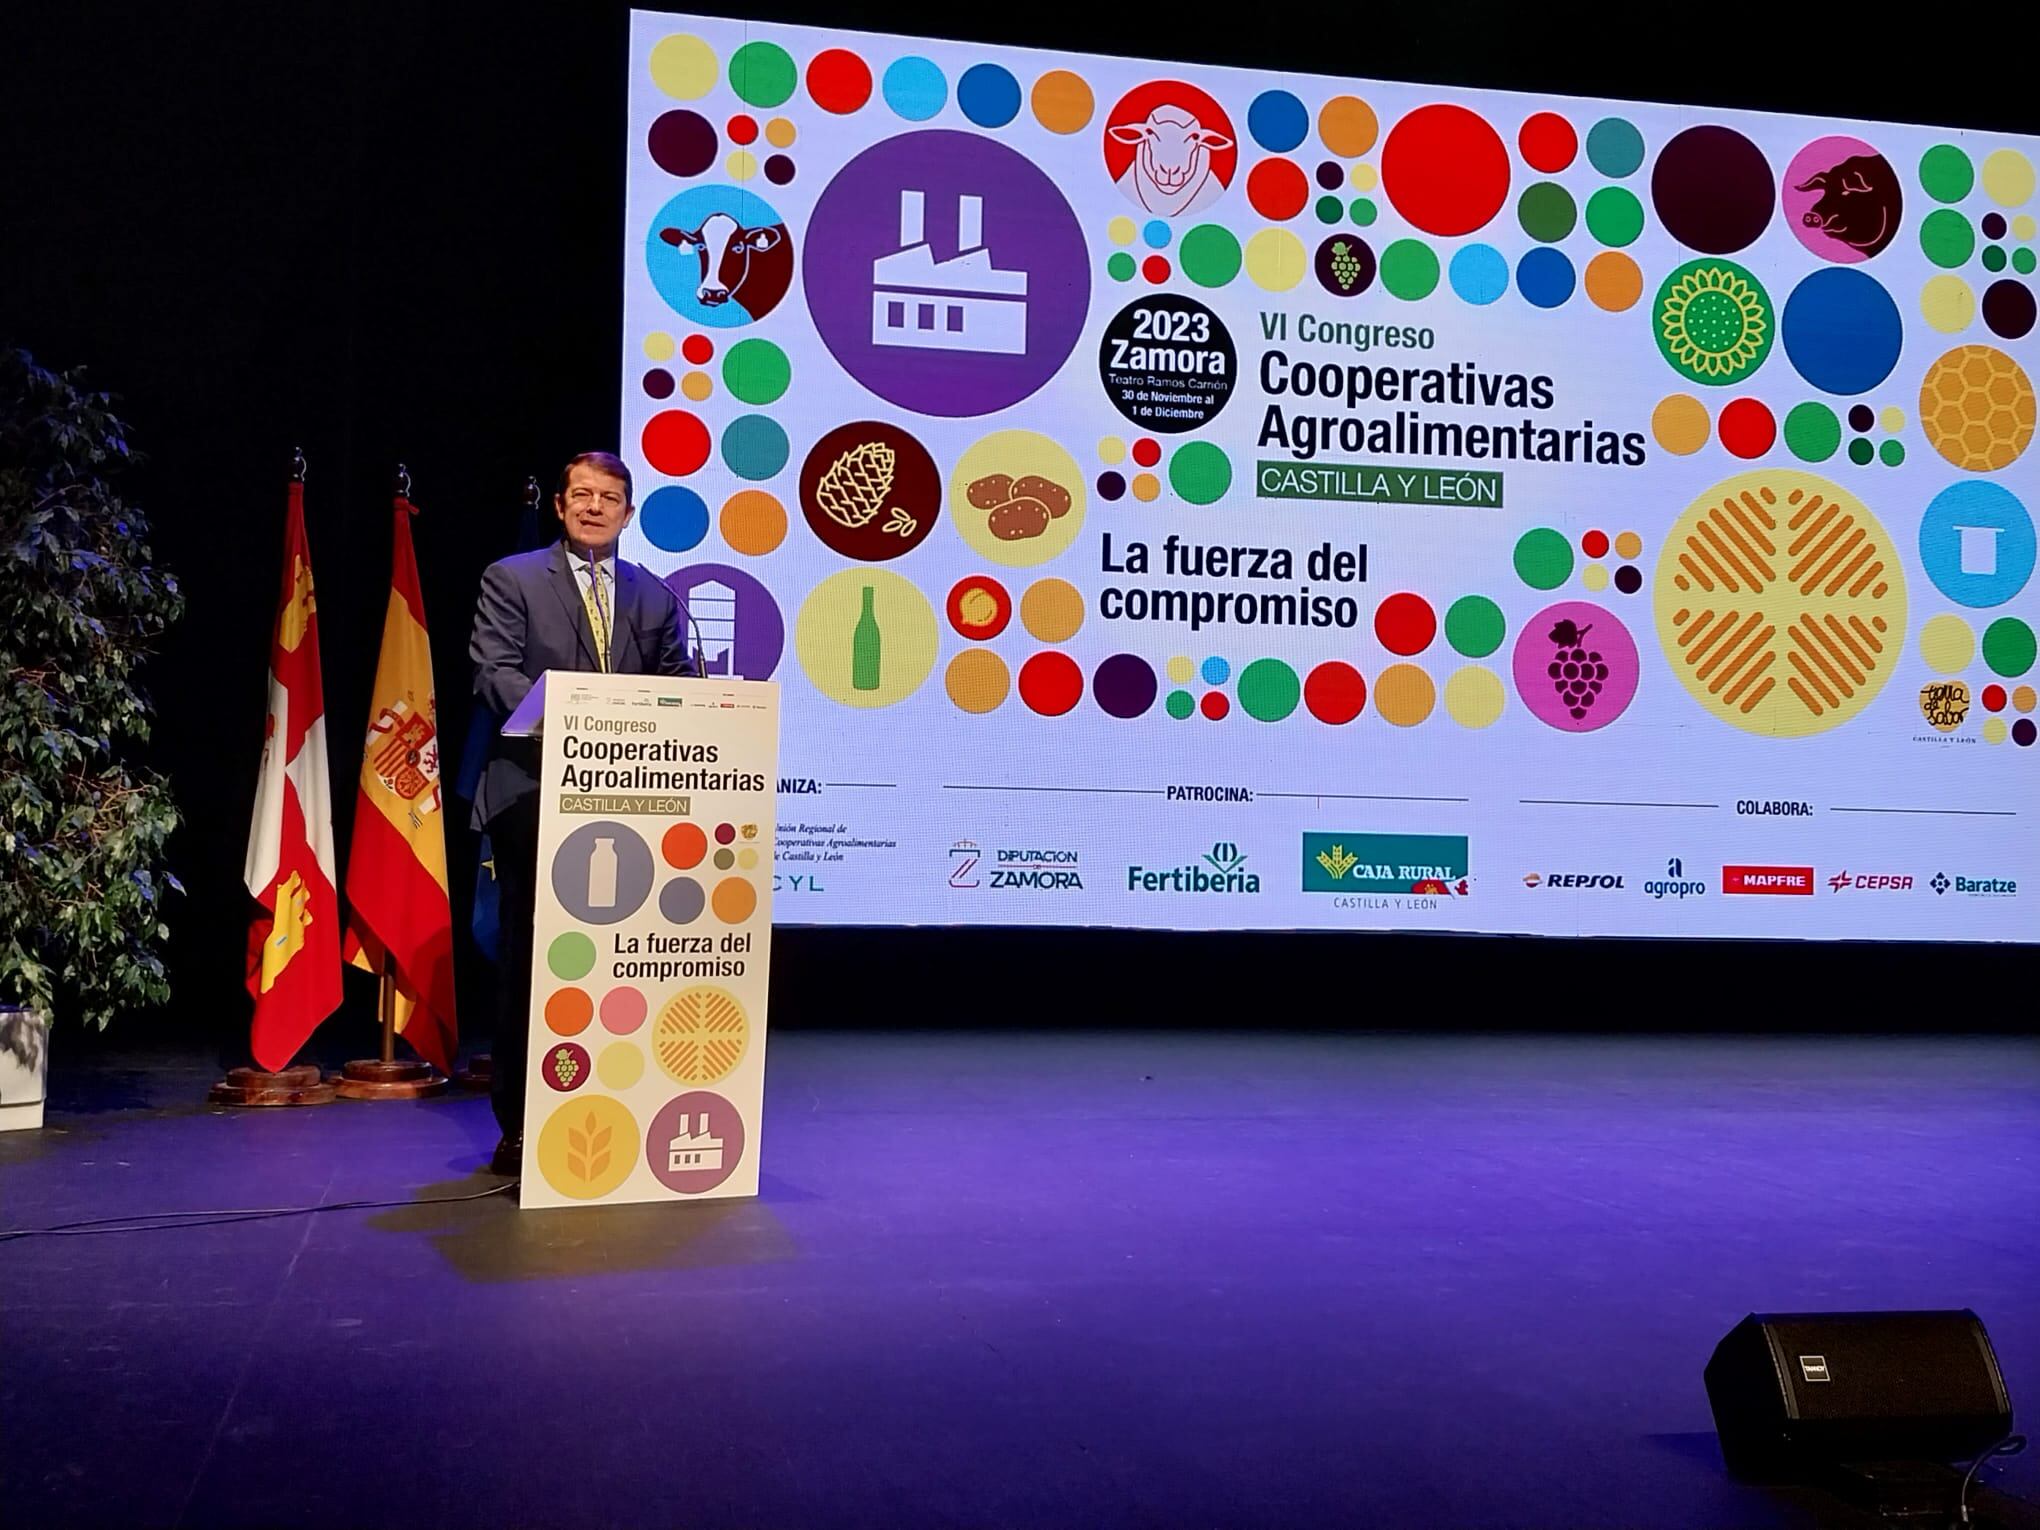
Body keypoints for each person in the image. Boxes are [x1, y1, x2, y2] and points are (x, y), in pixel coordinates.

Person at [469, 451, 693, 1175]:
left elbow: (678, 689)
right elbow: (495, 673)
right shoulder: (513, 578)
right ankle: (521, 1123)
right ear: (561, 507)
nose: (596, 507)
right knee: (536, 965)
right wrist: (578, 721)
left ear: (629, 514)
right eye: (583, 496)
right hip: (534, 795)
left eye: (611, 498)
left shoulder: (655, 597)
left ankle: (613, 1104)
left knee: (621, 966)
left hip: (634, 805)